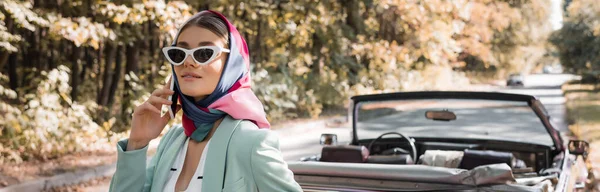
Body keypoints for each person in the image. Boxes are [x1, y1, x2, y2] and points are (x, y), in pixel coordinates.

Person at [108, 10, 302, 192]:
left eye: (204, 53)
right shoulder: (172, 139)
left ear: (232, 64)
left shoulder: (250, 141)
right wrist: (137, 143)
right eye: (179, 53)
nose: (188, 62)